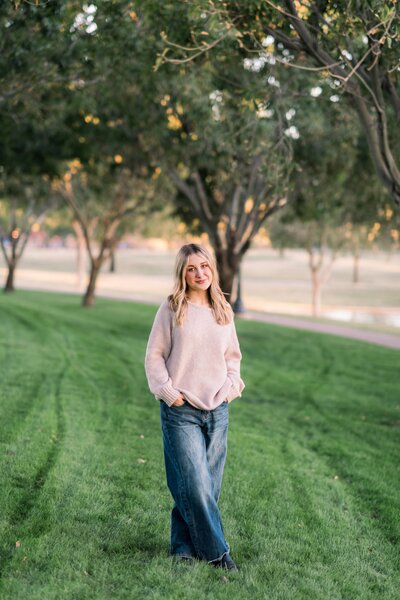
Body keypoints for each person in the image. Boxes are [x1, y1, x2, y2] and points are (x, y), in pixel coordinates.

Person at [144, 243, 245, 571]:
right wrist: (167, 392)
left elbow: (233, 358)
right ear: (182, 273)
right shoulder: (173, 307)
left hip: (218, 410)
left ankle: (183, 547)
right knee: (194, 484)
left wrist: (231, 389)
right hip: (181, 409)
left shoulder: (222, 309)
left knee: (204, 487)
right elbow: (154, 355)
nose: (199, 273)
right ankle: (218, 553)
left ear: (212, 269)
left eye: (204, 266)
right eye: (191, 268)